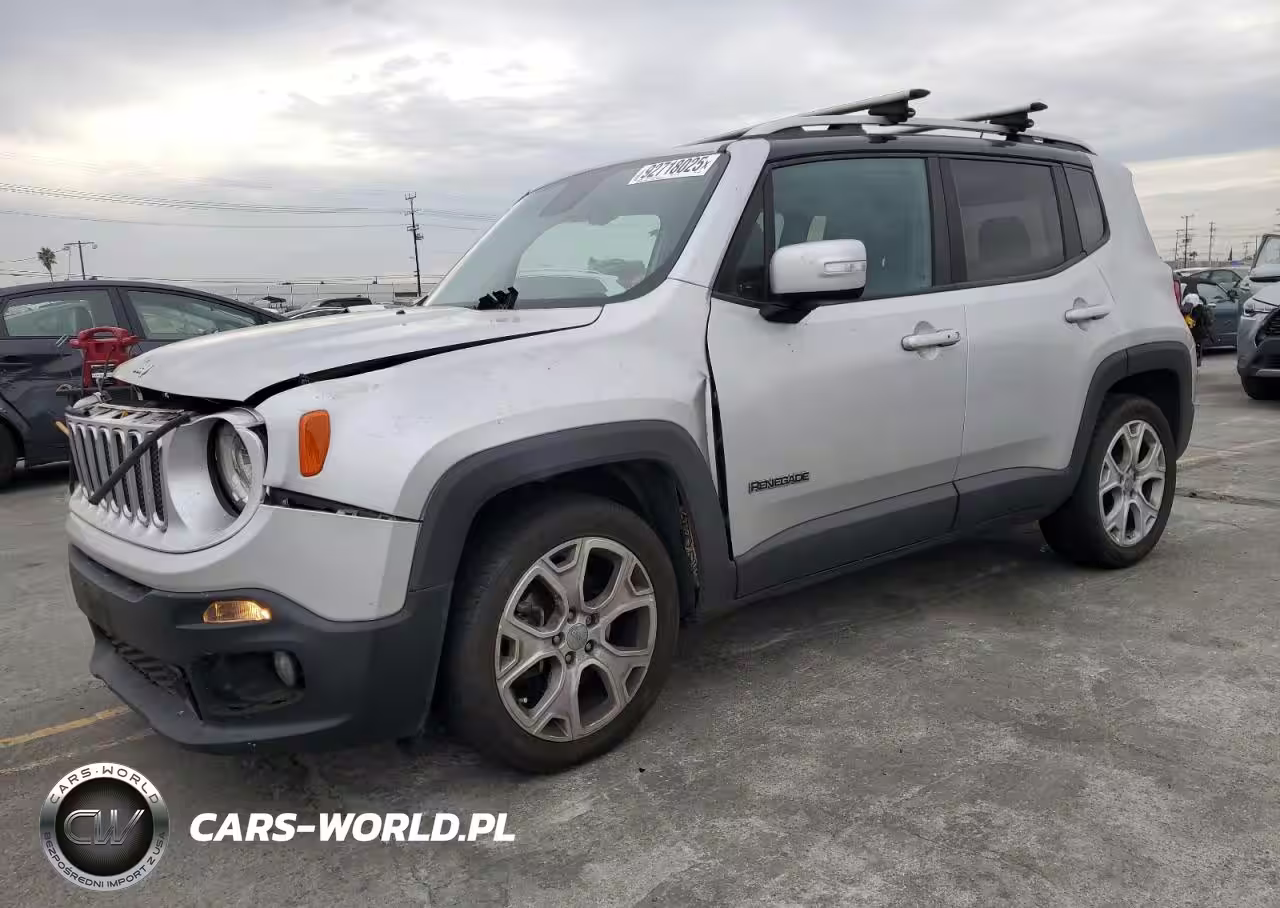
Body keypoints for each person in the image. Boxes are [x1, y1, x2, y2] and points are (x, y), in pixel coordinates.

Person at [1181, 283, 1213, 366]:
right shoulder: (1190, 309)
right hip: (1193, 333)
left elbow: (1205, 323)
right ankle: (1196, 362)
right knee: (1195, 349)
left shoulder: (1199, 310)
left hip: (1198, 334)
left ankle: (1197, 362)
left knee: (1197, 348)